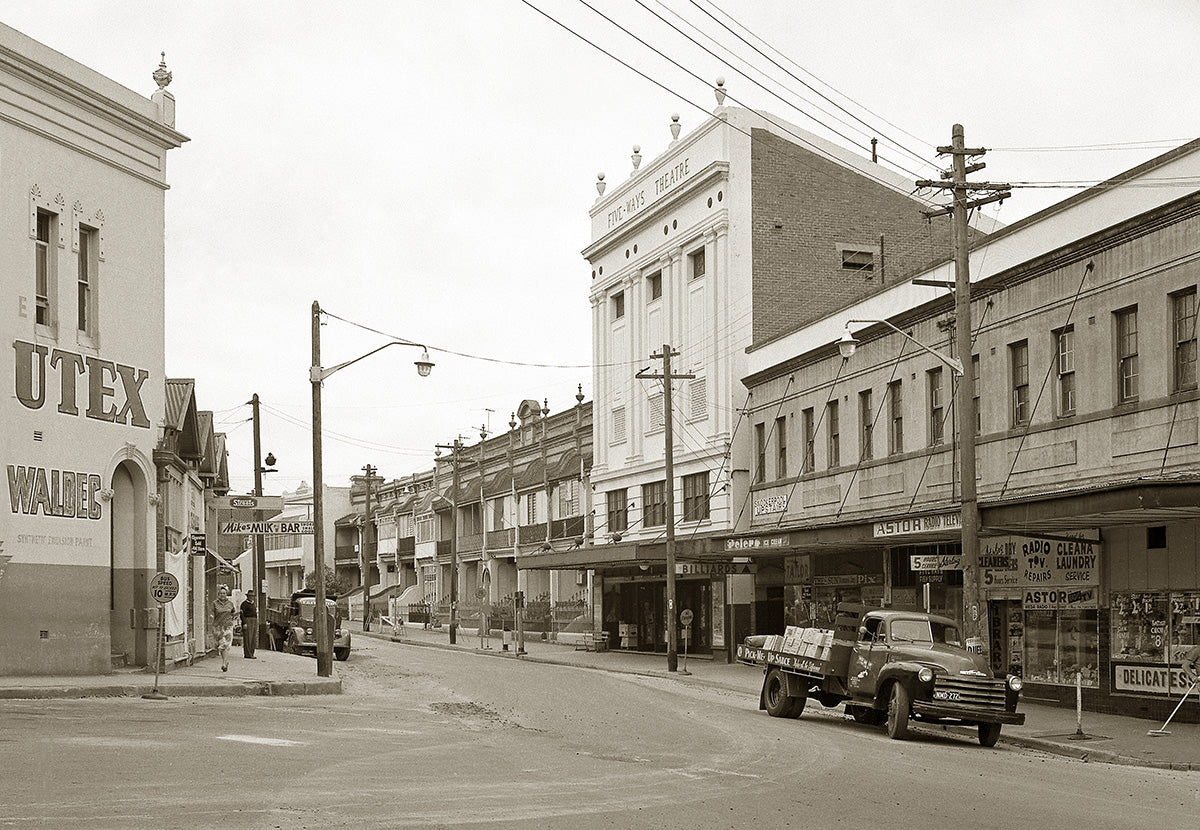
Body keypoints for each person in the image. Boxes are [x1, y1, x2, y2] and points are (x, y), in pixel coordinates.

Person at [212, 585, 236, 672]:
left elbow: (233, 613)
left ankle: (224, 663)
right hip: (218, 627)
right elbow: (212, 615)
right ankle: (225, 662)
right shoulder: (215, 603)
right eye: (221, 593)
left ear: (226, 594)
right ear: (218, 594)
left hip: (228, 627)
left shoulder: (230, 604)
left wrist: (231, 619)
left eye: (224, 593)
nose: (222, 595)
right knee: (222, 646)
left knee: (226, 645)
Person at [240, 589, 258, 659]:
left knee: (253, 638)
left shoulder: (253, 604)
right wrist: (244, 623)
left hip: (254, 621)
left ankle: (252, 653)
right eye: (250, 596)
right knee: (248, 638)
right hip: (247, 621)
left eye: (252, 596)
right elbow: (242, 614)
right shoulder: (244, 604)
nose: (251, 597)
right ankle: (247, 654)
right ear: (247, 596)